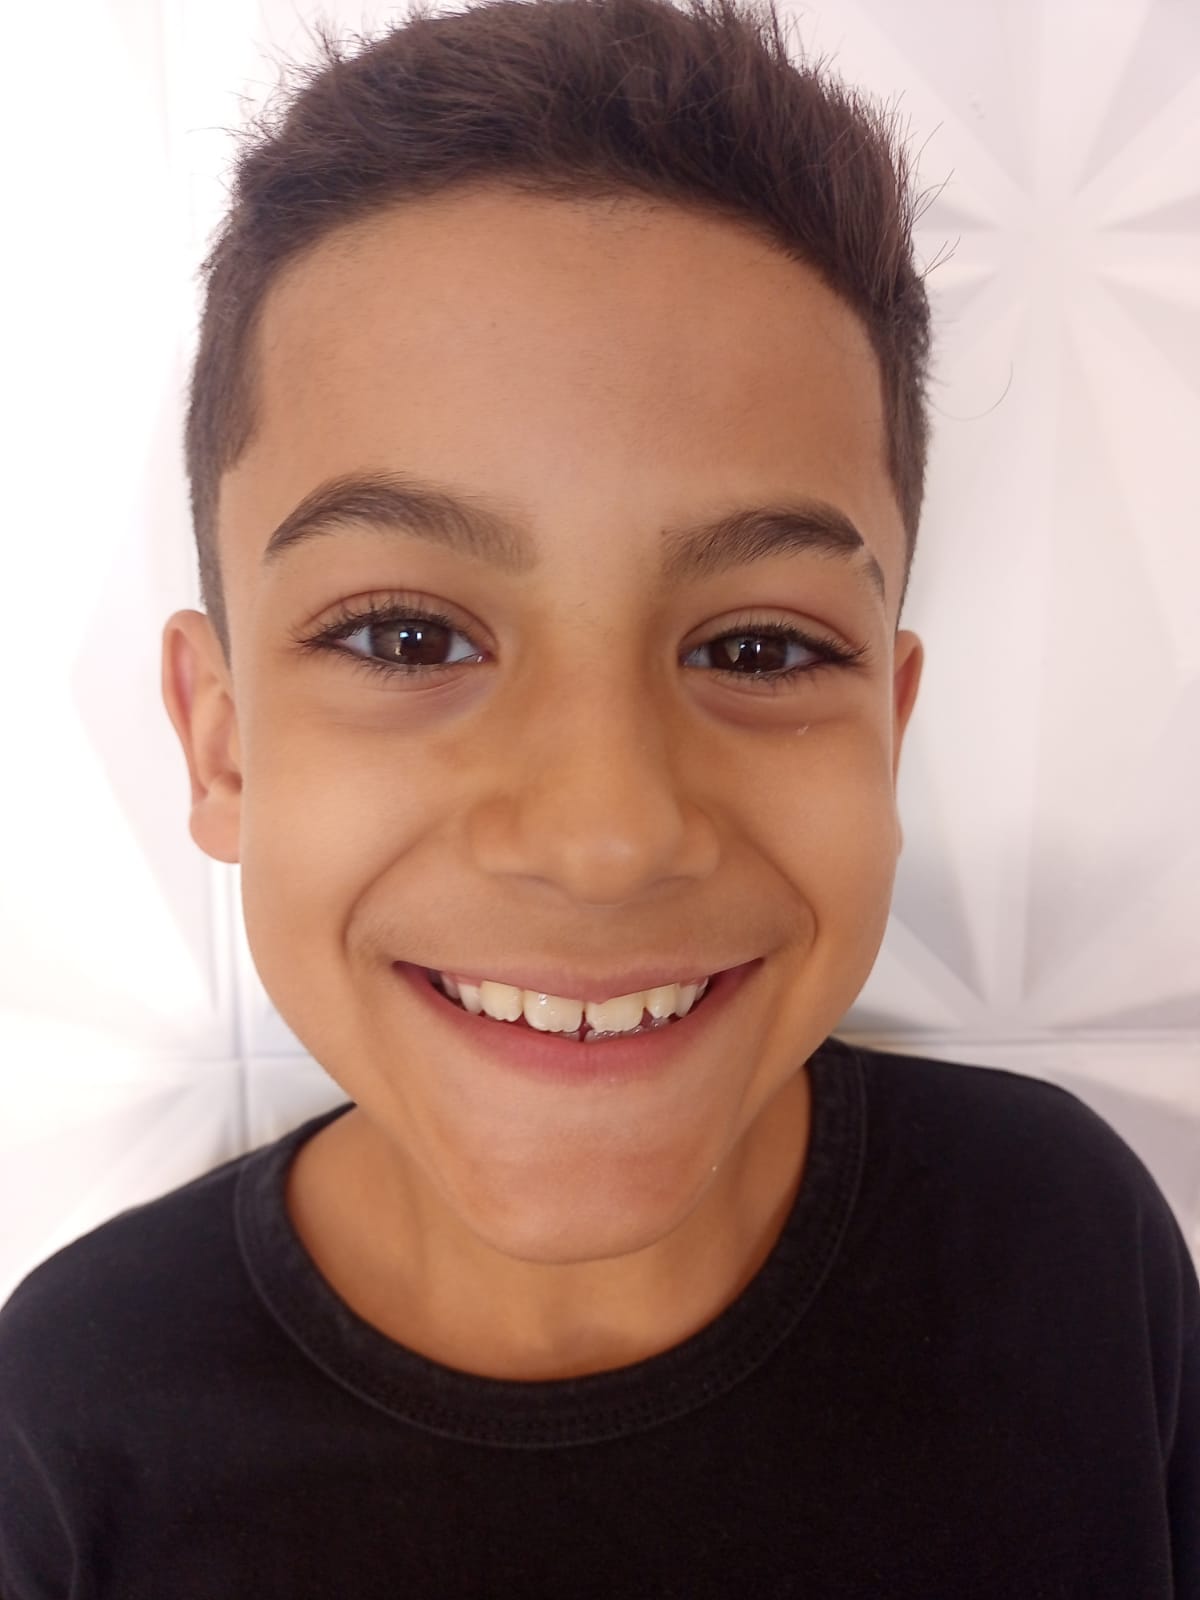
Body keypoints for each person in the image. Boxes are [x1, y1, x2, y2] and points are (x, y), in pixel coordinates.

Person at [1, 0, 1195, 1592]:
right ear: (221, 746)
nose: (606, 838)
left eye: (761, 648)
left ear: (888, 734)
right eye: (405, 637)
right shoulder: (66, 1426)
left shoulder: (1067, 1243)